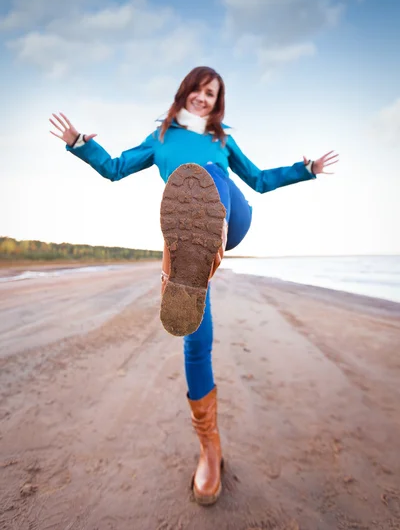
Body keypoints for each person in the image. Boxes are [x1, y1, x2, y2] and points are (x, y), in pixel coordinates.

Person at [49, 66, 339, 506]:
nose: (204, 98)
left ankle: (198, 243)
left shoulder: (221, 140)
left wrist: (307, 170)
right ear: (185, 92)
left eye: (212, 94)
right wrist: (79, 144)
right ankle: (210, 449)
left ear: (216, 103)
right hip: (189, 242)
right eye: (199, 91)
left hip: (232, 216)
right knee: (195, 339)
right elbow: (113, 168)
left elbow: (259, 180)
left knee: (206, 177)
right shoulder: (160, 139)